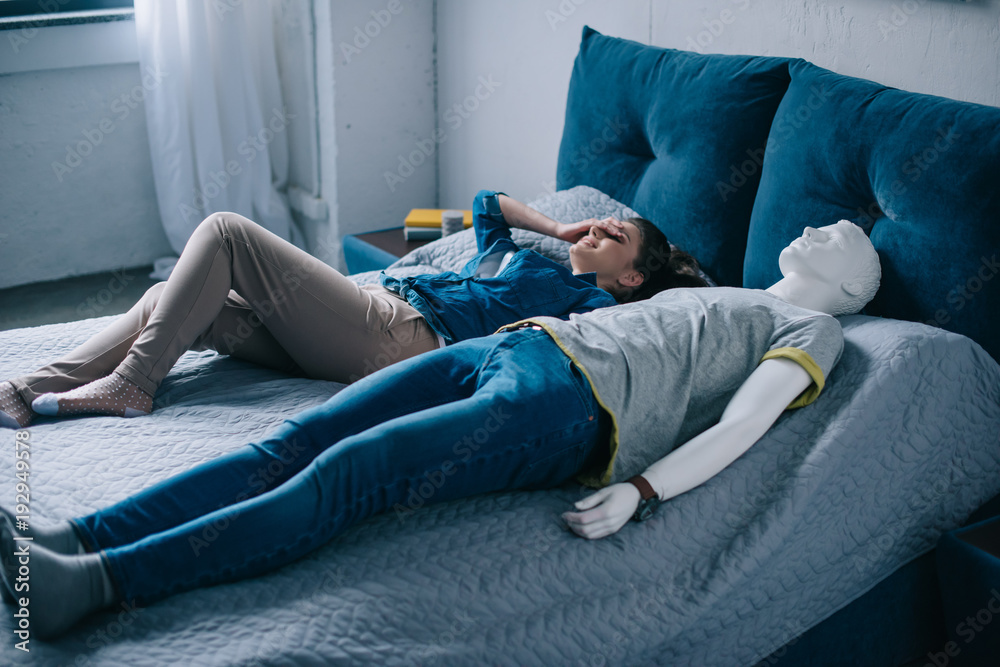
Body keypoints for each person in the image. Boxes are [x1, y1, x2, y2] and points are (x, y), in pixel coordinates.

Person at [0, 220, 880, 641]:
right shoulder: (714, 287)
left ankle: (100, 584)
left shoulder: (816, 331)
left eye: (844, 235)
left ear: (853, 289)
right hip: (515, 348)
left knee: (345, 475)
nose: (820, 225)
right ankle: (79, 536)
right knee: (293, 441)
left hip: (564, 407)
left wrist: (645, 488)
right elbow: (498, 216)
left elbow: (747, 420)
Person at [0, 189, 704, 428]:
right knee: (175, 299)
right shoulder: (529, 257)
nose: (601, 227)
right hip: (368, 314)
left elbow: (669, 331)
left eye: (618, 235)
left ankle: (134, 385)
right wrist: (555, 229)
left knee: (225, 233)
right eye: (603, 218)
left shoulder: (590, 304)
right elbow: (488, 205)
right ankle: (29, 389)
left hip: (397, 335)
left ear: (630, 276)